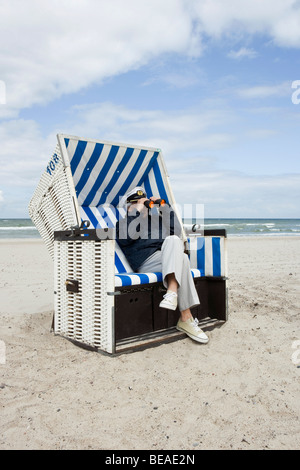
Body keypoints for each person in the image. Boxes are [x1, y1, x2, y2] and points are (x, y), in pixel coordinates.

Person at [116, 187, 209, 344]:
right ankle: (185, 317)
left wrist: (164, 208)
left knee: (177, 247)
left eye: (145, 202)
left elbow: (177, 232)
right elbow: (126, 239)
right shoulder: (124, 223)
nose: (143, 206)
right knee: (182, 258)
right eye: (137, 203)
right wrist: (135, 212)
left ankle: (179, 306)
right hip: (147, 262)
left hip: (168, 259)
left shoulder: (156, 221)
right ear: (129, 206)